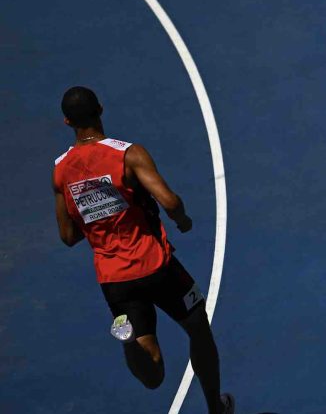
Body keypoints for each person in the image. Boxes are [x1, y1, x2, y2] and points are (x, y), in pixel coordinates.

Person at [51, 87, 233, 414]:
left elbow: (67, 235)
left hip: (114, 282)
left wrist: (97, 210)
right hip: (156, 266)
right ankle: (215, 409)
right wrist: (183, 220)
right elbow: (169, 201)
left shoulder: (61, 170)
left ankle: (129, 344)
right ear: (101, 109)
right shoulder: (127, 154)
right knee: (198, 328)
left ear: (67, 121)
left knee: (153, 374)